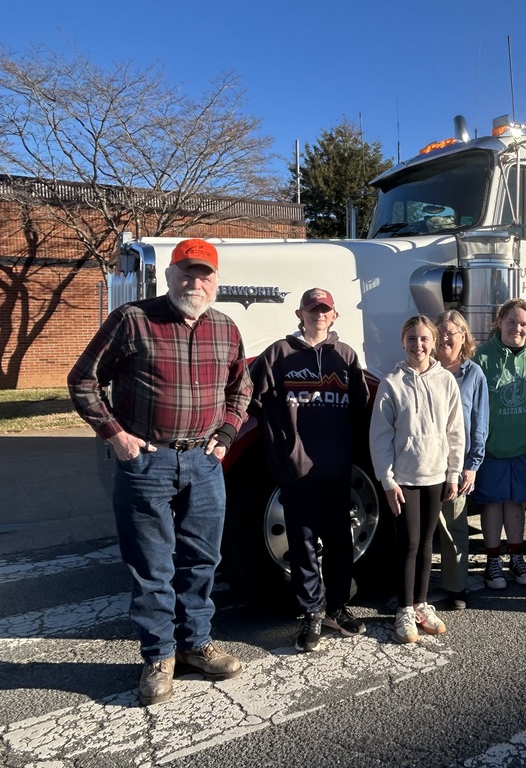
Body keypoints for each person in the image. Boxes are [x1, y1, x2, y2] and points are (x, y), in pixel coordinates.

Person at [67, 238, 251, 706]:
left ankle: (195, 645)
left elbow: (241, 389)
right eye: (186, 273)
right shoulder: (133, 320)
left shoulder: (226, 329)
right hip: (147, 461)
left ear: (215, 281)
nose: (195, 282)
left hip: (204, 464)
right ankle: (159, 656)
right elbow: (83, 379)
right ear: (169, 276)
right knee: (151, 565)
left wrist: (225, 436)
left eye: (204, 274)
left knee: (202, 560)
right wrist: (117, 436)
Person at [248, 287, 369, 652]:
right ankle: (311, 612)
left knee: (338, 540)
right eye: (312, 308)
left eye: (325, 309)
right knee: (302, 544)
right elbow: (249, 399)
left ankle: (337, 607)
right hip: (294, 470)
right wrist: (281, 441)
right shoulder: (279, 354)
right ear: (299, 313)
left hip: (335, 467)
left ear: (334, 316)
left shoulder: (345, 356)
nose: (319, 314)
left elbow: (360, 407)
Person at [370, 316, 465, 643]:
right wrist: (387, 480)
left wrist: (453, 472)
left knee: (426, 544)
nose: (418, 345)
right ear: (403, 341)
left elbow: (455, 431)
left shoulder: (445, 381)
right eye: (412, 338)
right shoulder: (392, 382)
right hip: (405, 479)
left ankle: (422, 603)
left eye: (424, 339)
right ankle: (404, 610)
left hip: (436, 474)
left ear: (433, 342)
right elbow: (380, 436)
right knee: (408, 544)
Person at [473, 299, 526, 590]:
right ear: (499, 322)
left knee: (517, 503)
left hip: (524, 445)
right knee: (493, 502)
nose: (517, 328)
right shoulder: (482, 357)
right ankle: (493, 560)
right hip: (492, 445)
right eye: (511, 322)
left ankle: (517, 556)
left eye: (523, 324)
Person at [433, 310, 489, 611]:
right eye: (439, 333)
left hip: (457, 465)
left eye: (451, 333)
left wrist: (472, 466)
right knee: (420, 530)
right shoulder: (424, 370)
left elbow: (480, 422)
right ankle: (413, 589)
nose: (445, 338)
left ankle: (456, 588)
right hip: (425, 464)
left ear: (464, 337)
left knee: (454, 529)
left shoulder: (474, 375)